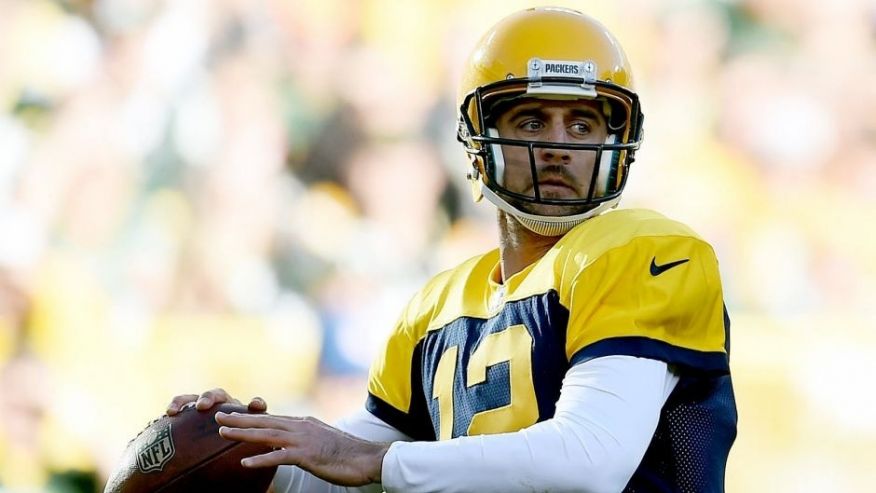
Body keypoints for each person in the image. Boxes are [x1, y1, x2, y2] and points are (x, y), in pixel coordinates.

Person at [167, 7, 737, 492]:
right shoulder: (436, 307)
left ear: (617, 141)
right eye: (534, 120)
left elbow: (591, 458)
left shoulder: (646, 250)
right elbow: (340, 466)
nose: (560, 146)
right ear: (477, 141)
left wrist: (376, 462)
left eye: (583, 124)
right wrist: (242, 447)